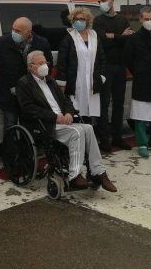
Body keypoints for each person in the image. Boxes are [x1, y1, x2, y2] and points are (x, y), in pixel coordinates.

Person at [17, 51, 117, 192]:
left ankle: (98, 172)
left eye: (45, 62)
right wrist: (55, 117)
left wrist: (69, 113)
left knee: (88, 128)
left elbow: (65, 100)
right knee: (77, 132)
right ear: (31, 67)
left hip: (62, 121)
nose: (45, 66)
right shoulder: (24, 83)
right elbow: (29, 108)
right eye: (40, 63)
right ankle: (74, 175)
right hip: (45, 124)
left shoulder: (50, 80)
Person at [56, 7, 106, 145]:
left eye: (82, 19)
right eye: (76, 19)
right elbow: (62, 62)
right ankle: (78, 143)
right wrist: (63, 82)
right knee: (76, 112)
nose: (79, 21)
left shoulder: (94, 36)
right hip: (75, 82)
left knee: (89, 113)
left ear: (88, 21)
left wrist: (101, 75)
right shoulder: (68, 38)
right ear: (72, 21)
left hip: (91, 81)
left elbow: (102, 57)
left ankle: (89, 143)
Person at [123, 6, 151, 158]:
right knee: (141, 116)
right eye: (146, 19)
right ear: (140, 19)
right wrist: (139, 71)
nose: (149, 21)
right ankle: (142, 144)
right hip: (142, 82)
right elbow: (128, 59)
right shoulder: (133, 38)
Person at [93, 0, 133, 151]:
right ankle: (105, 139)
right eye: (99, 1)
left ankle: (117, 137)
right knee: (104, 103)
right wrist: (120, 37)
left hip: (120, 66)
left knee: (119, 102)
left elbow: (129, 40)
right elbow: (101, 41)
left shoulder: (123, 20)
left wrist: (113, 37)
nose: (101, 3)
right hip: (105, 67)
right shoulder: (98, 20)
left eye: (104, 0)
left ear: (112, 0)